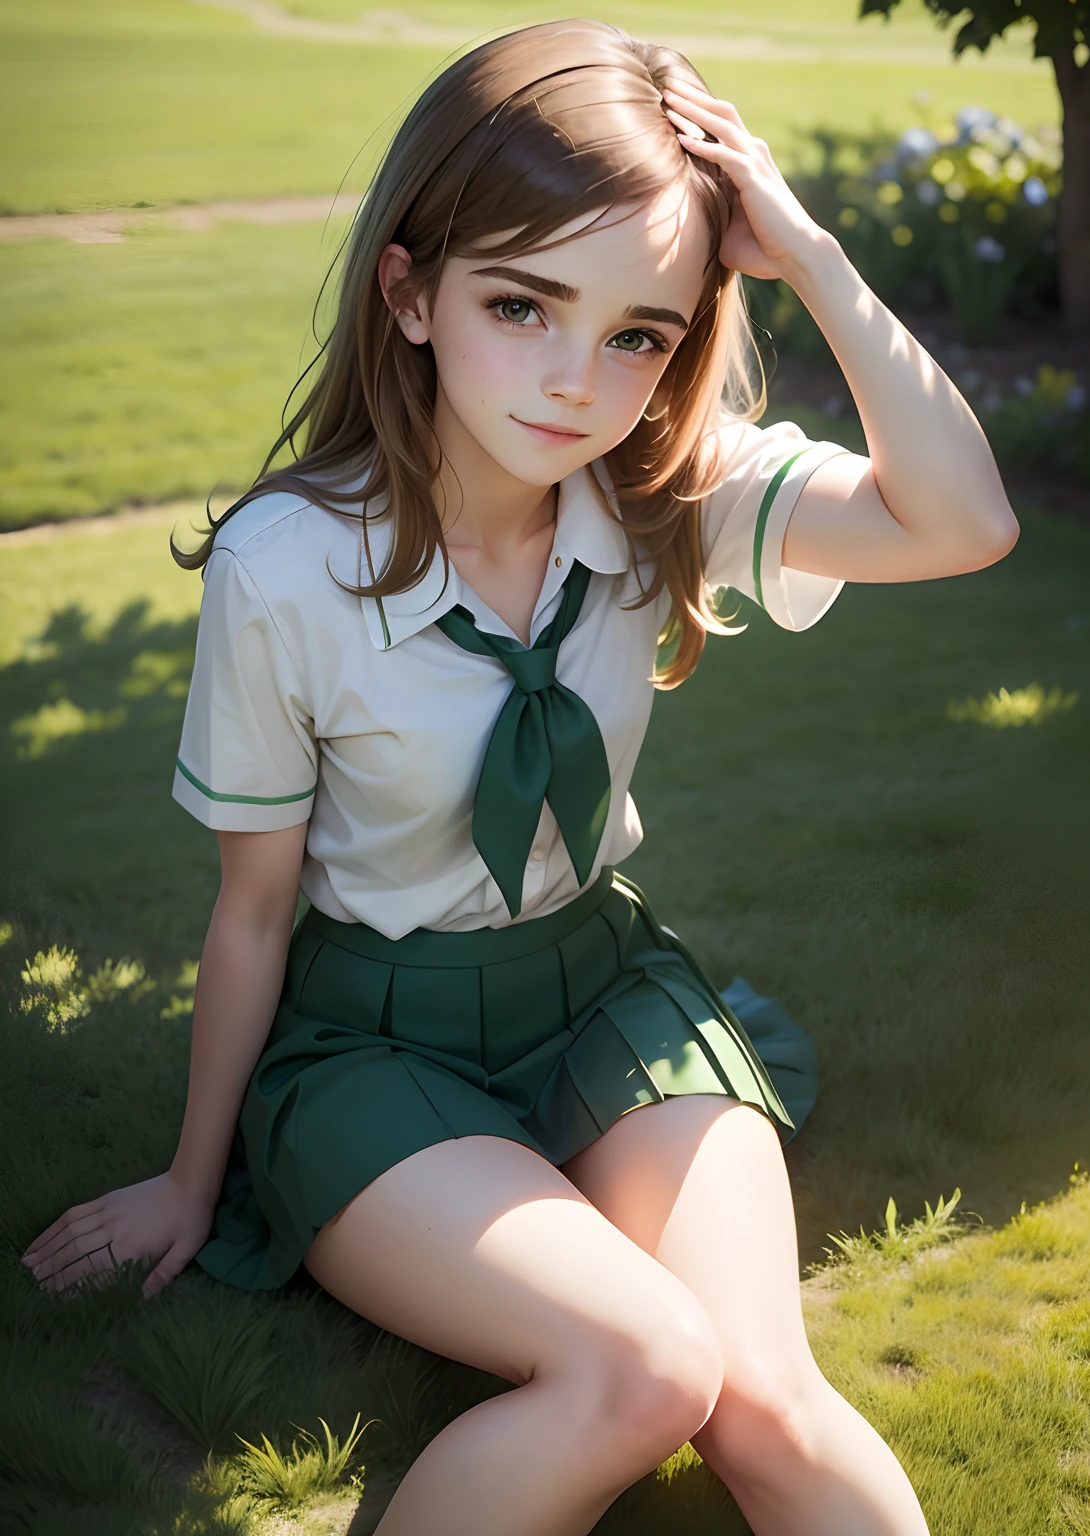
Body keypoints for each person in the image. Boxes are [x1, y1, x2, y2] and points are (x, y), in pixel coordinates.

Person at [22, 20, 1017, 1535]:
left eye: (639, 333)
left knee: (762, 1398)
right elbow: (253, 911)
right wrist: (186, 1177)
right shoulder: (287, 568)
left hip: (607, 995)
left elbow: (962, 522)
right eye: (522, 304)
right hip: (370, 1047)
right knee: (643, 1372)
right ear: (410, 293)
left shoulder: (665, 493)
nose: (576, 381)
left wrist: (802, 246)